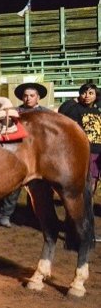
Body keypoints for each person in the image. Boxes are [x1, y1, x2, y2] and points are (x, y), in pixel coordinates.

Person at [0, 83, 48, 228]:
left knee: (39, 189)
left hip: (39, 156)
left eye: (32, 96)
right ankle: (5, 215)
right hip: (19, 154)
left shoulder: (46, 114)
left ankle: (34, 217)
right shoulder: (15, 113)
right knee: (14, 186)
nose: (28, 98)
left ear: (38, 97)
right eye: (25, 96)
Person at [58, 83, 101, 242]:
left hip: (97, 153)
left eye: (91, 93)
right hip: (81, 153)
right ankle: (75, 226)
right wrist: (74, 100)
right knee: (79, 191)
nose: (87, 95)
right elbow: (63, 110)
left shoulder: (97, 110)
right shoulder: (74, 108)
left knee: (91, 190)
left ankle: (84, 226)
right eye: (84, 92)